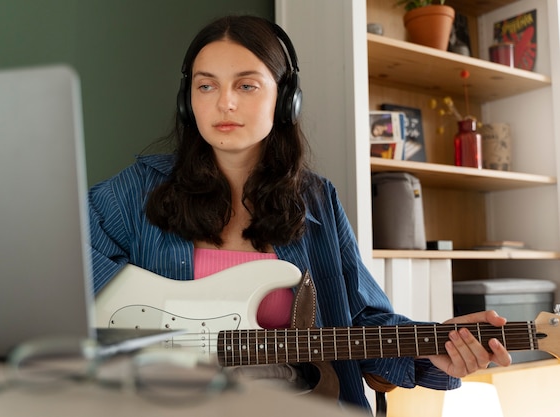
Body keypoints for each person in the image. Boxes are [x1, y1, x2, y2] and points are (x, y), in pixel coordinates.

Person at [87, 15, 512, 410]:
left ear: (284, 99)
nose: (225, 103)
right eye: (206, 86)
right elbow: (55, 263)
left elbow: (362, 320)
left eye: (247, 86)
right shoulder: (139, 189)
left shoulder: (316, 200)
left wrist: (436, 353)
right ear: (188, 100)